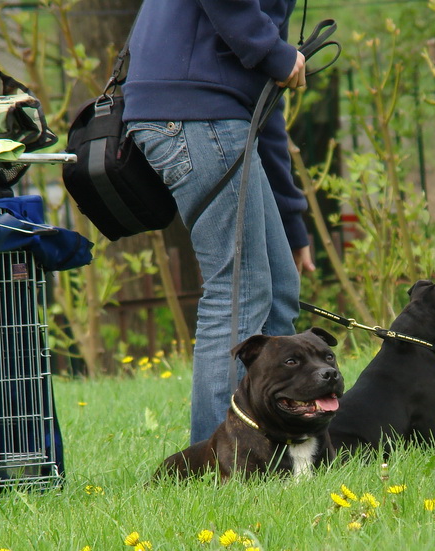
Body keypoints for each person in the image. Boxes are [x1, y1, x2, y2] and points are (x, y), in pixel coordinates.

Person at [123, 0, 315, 443]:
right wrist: (276, 52)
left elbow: (265, 108)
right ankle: (220, 468)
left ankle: (280, 448)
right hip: (195, 114)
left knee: (279, 294)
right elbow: (269, 62)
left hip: (212, 115)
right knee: (238, 291)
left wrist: (292, 220)